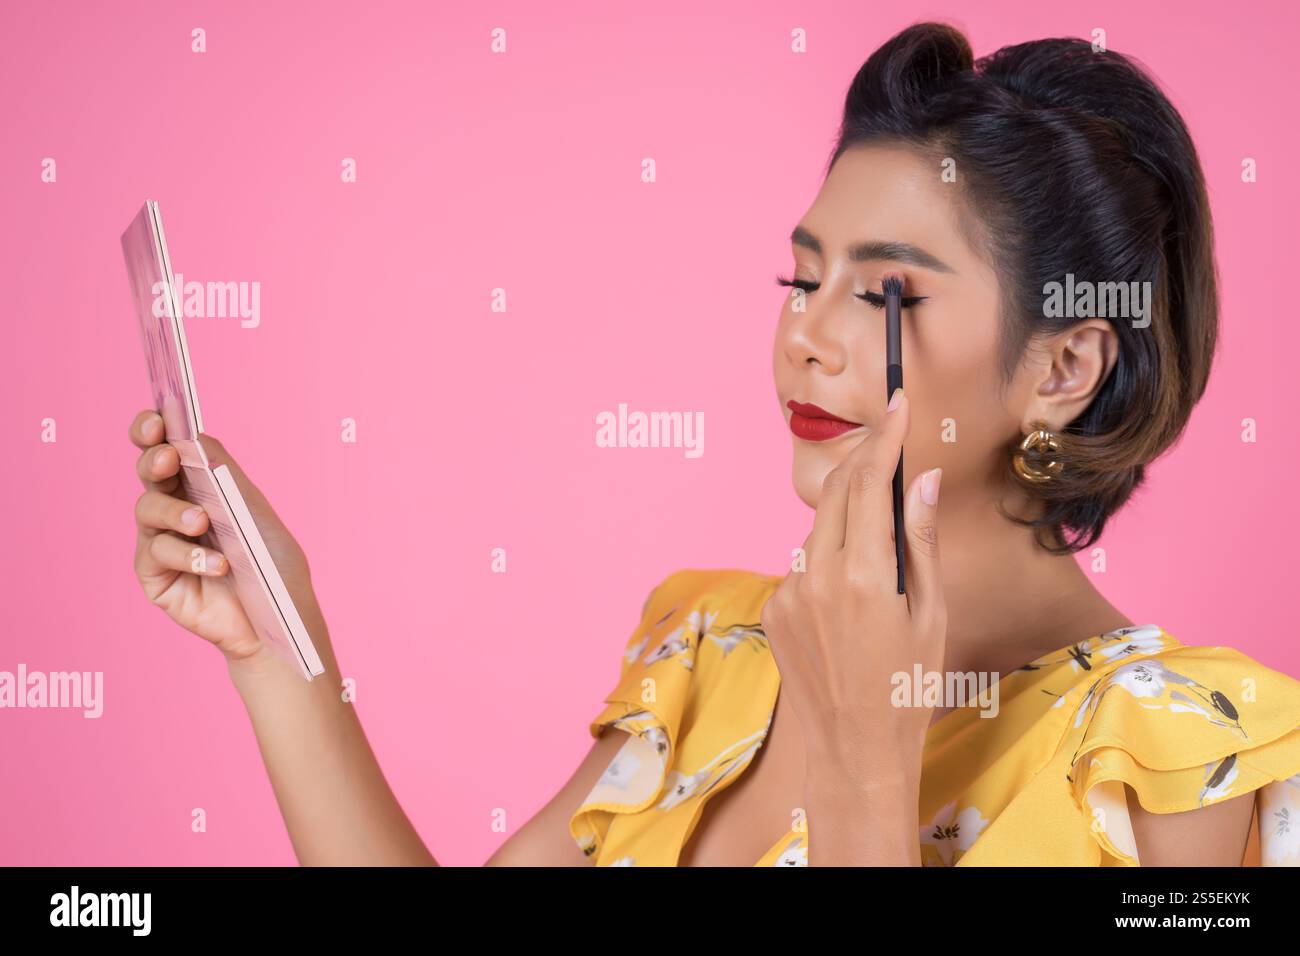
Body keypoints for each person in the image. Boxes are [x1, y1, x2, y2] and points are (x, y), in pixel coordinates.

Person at [126, 21, 1300, 866]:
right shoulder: (708, 656)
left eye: (886, 295)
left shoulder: (1189, 760)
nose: (806, 336)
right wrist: (279, 646)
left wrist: (867, 768)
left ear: (1061, 368)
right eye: (800, 278)